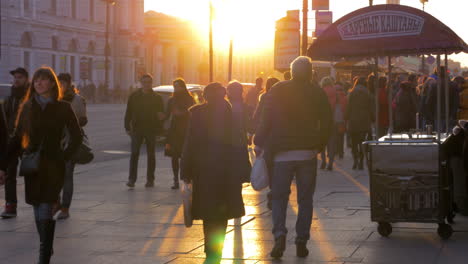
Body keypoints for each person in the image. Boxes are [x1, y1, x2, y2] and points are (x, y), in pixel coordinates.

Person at [0, 67, 82, 264]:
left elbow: (77, 136)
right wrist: (3, 166)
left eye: (43, 80)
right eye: (36, 80)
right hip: (33, 166)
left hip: (54, 166)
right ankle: (47, 244)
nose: (39, 83)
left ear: (52, 83)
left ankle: (44, 255)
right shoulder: (28, 106)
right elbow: (17, 138)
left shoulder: (63, 107)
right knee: (38, 209)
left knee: (45, 208)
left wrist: (64, 156)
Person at [254, 56, 332, 259]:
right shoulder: (317, 92)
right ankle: (301, 240)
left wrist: (259, 141)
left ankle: (279, 235)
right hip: (307, 153)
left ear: (291, 71)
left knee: (279, 197)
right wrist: (319, 145)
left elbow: (266, 117)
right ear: (310, 72)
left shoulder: (278, 89)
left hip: (281, 154)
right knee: (305, 199)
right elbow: (326, 122)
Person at [180, 83, 247, 264]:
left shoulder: (197, 114)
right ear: (224, 95)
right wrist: (244, 170)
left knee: (208, 212)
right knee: (221, 214)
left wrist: (185, 169)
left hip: (204, 171)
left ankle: (211, 250)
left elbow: (190, 143)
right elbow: (240, 143)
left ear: (205, 96)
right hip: (227, 171)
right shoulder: (232, 113)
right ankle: (215, 250)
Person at [56, 73, 88, 220]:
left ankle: (65, 207)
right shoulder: (52, 98)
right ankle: (55, 203)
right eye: (58, 82)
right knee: (53, 175)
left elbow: (83, 120)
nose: (61, 85)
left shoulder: (77, 100)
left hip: (70, 142)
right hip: (54, 143)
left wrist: (71, 122)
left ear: (69, 84)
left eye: (63, 83)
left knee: (67, 175)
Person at [124, 74, 164, 188]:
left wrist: (159, 130)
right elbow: (129, 112)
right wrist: (127, 127)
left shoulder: (157, 97)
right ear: (141, 83)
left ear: (151, 83)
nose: (146, 84)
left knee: (151, 155)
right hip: (137, 129)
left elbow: (160, 115)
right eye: (144, 82)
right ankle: (132, 179)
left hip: (151, 129)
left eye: (149, 82)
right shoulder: (134, 96)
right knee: (134, 153)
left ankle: (150, 180)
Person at [1, 67, 29, 219]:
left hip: (26, 141)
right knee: (10, 174)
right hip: (11, 142)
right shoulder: (10, 99)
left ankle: (43, 202)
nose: (16, 80)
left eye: (20, 77)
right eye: (15, 77)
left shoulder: (31, 97)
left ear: (26, 79)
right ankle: (10, 206)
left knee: (32, 172)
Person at [165, 78, 195, 190]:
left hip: (186, 130)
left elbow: (192, 113)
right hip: (174, 130)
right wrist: (160, 117)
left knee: (186, 156)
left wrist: (181, 113)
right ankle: (175, 179)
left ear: (183, 87)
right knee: (174, 156)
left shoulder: (189, 99)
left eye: (178, 86)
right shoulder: (171, 100)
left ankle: (187, 178)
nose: (176, 89)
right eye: (175, 86)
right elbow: (167, 114)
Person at [226, 81, 253, 183]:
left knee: (231, 173)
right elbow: (249, 125)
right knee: (239, 173)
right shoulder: (243, 106)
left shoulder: (227, 106)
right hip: (240, 142)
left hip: (229, 143)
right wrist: (249, 138)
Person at [345, 77, 374, 170]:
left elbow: (348, 107)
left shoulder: (352, 92)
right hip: (365, 120)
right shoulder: (368, 93)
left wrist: (346, 117)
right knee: (362, 141)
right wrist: (372, 118)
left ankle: (355, 160)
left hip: (353, 120)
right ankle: (361, 160)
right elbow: (371, 107)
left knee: (354, 142)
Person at [320, 76, 346, 171]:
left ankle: (323, 160)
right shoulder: (335, 92)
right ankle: (330, 163)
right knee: (332, 143)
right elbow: (340, 106)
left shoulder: (320, 91)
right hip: (334, 120)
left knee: (323, 143)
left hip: (323, 120)